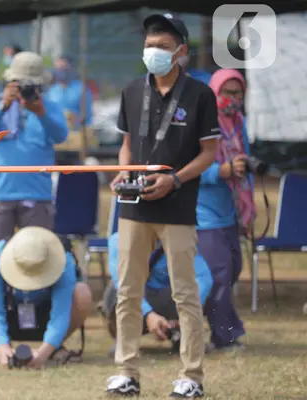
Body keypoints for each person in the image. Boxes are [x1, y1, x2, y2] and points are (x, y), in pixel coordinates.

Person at [106, 14, 219, 398]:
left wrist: (176, 179)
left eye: (163, 48)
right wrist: (123, 173)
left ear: (181, 52)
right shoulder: (132, 90)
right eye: (150, 46)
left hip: (177, 206)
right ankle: (127, 371)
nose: (153, 53)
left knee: (185, 293)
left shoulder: (200, 95)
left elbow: (209, 153)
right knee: (127, 291)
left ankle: (191, 376)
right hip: (133, 207)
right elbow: (125, 145)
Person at [0, 51, 68, 265]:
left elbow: (60, 135)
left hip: (37, 194)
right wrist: (2, 106)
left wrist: (41, 112)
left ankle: (34, 298)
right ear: (9, 82)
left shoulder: (49, 106)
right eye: (19, 84)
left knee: (39, 260)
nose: (25, 89)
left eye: (30, 85)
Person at [0, 227, 91, 368]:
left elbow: (61, 312)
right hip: (10, 313)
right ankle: (0, 349)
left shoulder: (64, 260)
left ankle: (55, 347)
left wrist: (44, 352)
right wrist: (2, 346)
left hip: (46, 315)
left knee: (82, 292)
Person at [197, 68, 252, 352]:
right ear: (213, 93)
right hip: (203, 213)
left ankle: (218, 329)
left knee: (233, 270)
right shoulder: (204, 121)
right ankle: (224, 336)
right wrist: (220, 171)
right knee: (218, 273)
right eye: (226, 92)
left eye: (237, 92)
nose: (231, 98)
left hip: (230, 209)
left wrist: (249, 208)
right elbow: (190, 166)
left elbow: (245, 162)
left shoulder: (238, 121)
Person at [100, 232, 213, 355]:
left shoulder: (178, 238)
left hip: (166, 298)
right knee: (116, 290)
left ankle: (180, 334)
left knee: (190, 287)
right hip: (136, 302)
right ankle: (125, 338)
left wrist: (186, 314)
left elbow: (203, 278)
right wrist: (148, 314)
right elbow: (123, 285)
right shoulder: (120, 240)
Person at [45, 56, 93, 131]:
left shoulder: (81, 89)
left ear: (71, 69)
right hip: (56, 133)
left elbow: (87, 116)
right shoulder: (52, 90)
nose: (61, 71)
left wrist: (72, 120)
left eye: (64, 68)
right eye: (58, 69)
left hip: (76, 133)